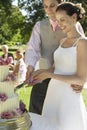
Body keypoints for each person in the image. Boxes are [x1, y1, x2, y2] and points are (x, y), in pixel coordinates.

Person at [29, 2, 87, 130]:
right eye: (57, 20)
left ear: (74, 17)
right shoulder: (63, 41)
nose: (60, 24)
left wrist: (49, 75)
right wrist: (39, 73)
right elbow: (55, 68)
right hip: (53, 93)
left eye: (63, 20)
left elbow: (81, 79)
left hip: (69, 95)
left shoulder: (82, 42)